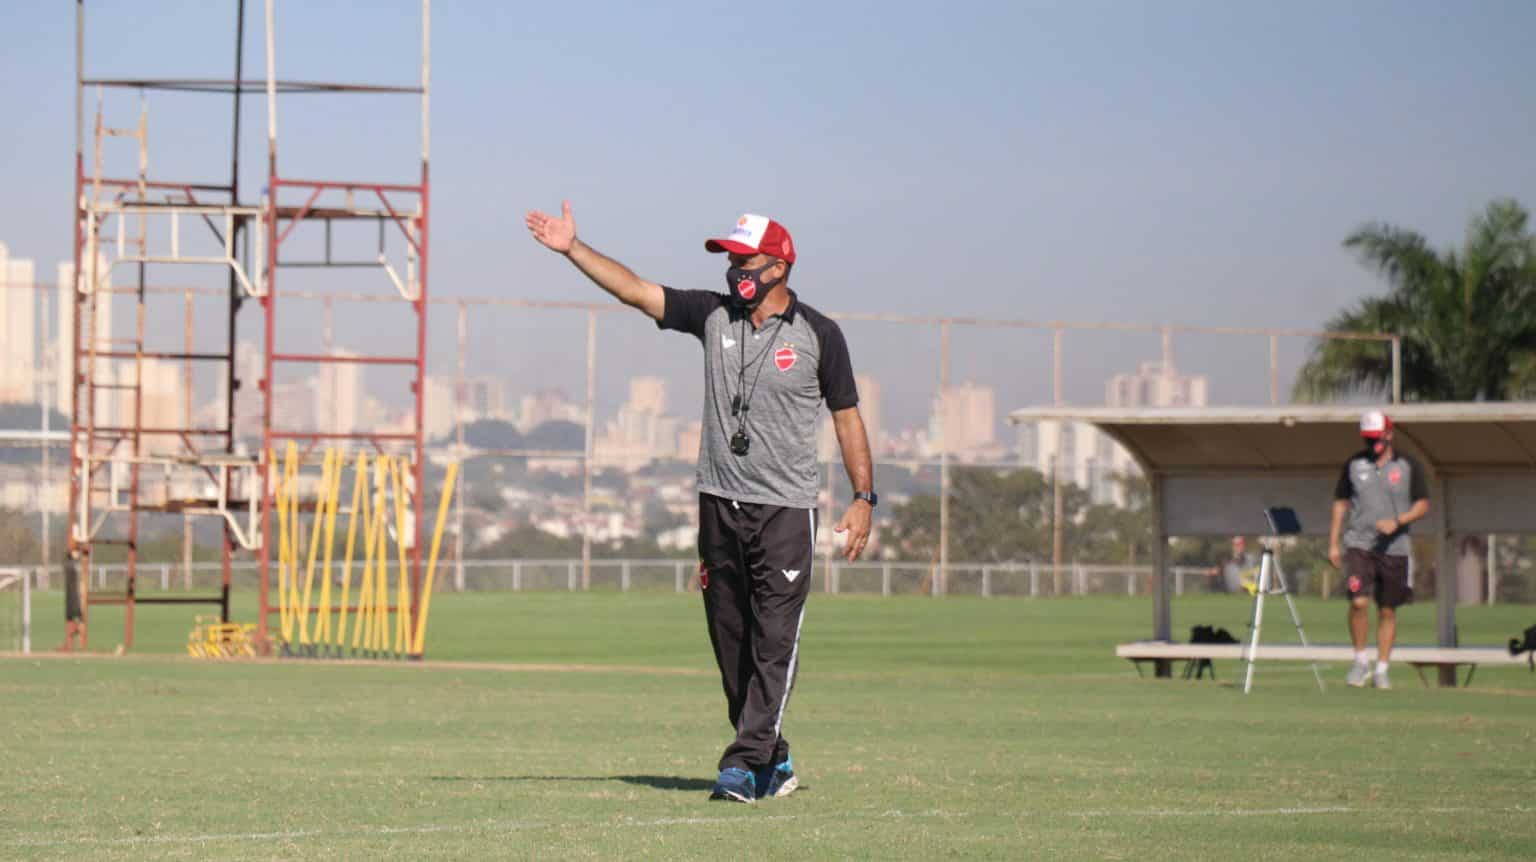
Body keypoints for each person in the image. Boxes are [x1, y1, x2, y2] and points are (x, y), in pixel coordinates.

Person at [525, 204, 875, 803]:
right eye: (731, 258)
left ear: (778, 264)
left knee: (774, 641)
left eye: (745, 258)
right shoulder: (714, 315)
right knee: (731, 643)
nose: (736, 267)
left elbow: (847, 416)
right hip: (717, 504)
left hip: (785, 510)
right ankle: (773, 758)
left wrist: (863, 496)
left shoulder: (820, 335)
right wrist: (573, 249)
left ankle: (741, 765)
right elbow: (636, 291)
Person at [1327, 410, 1430, 689]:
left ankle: (1382, 669)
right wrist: (1333, 542)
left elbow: (1422, 504)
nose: (1373, 444)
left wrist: (1398, 521)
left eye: (1377, 438)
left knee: (1387, 610)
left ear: (1389, 433)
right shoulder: (1354, 464)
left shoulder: (1408, 465)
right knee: (1358, 601)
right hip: (1359, 545)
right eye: (1367, 439)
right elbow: (1340, 502)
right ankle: (1360, 662)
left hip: (1395, 548)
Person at [58, 543, 86, 652]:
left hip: (73, 593)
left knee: (76, 615)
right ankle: (75, 631)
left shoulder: (72, 564)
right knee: (75, 614)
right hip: (72, 593)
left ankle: (75, 631)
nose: (78, 554)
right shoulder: (70, 564)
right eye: (76, 552)